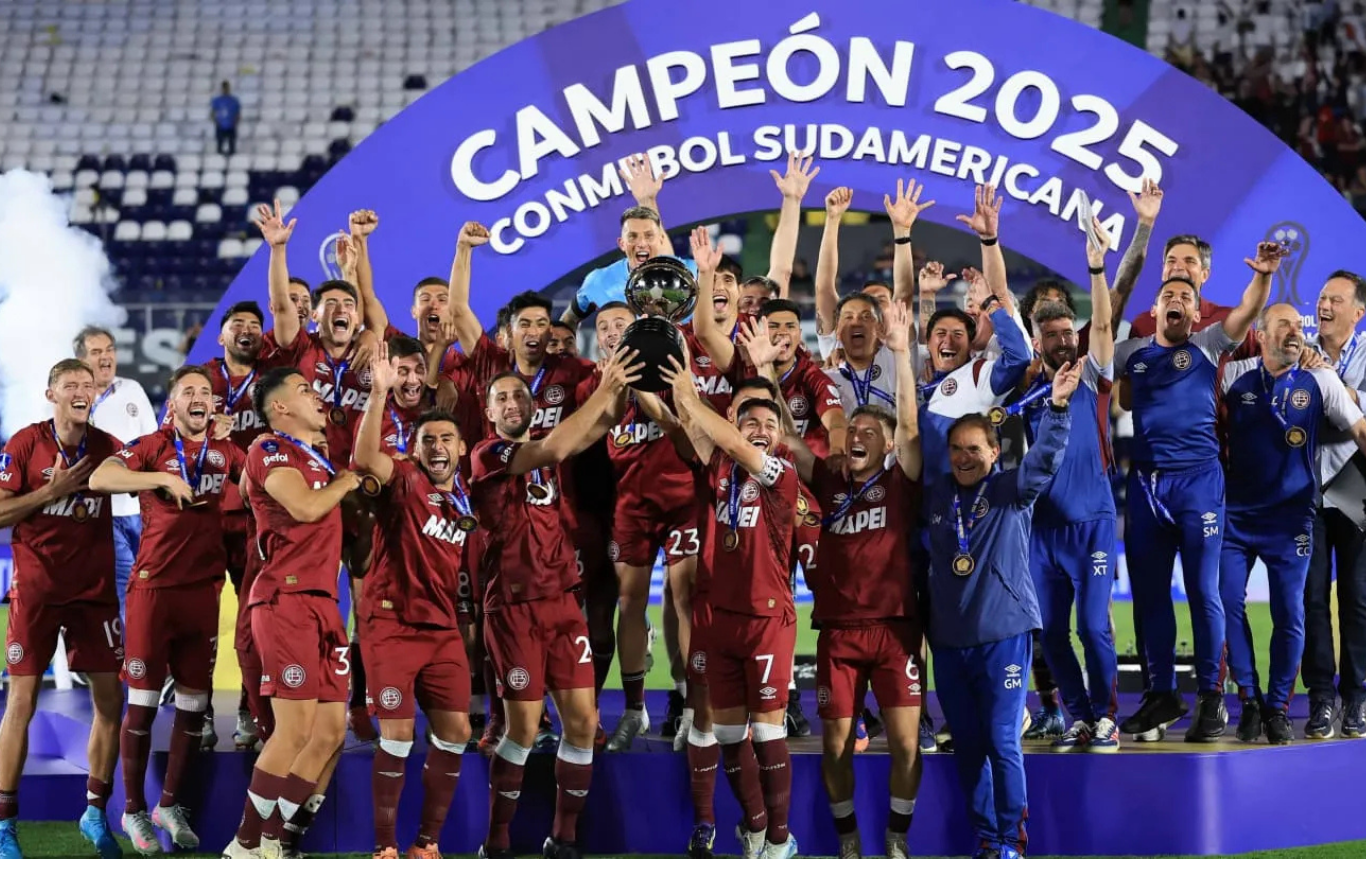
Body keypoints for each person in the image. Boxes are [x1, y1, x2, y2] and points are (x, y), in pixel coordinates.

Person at [470, 350, 641, 859]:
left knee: (584, 724)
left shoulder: (549, 452)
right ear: (489, 411)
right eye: (502, 397)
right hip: (515, 609)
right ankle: (496, 842)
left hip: (564, 606)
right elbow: (556, 446)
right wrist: (604, 387)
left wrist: (623, 383)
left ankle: (563, 838)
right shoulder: (488, 455)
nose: (513, 402)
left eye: (520, 394)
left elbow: (599, 425)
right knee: (522, 729)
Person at [1114, 241, 1285, 742]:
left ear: (1196, 312)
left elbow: (1250, 309)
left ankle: (1211, 695)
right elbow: (1098, 337)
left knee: (1203, 592)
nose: (1177, 298)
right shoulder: (1132, 353)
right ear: (1155, 308)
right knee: (1148, 598)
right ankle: (1161, 692)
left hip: (1200, 484)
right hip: (1146, 485)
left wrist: (1266, 276)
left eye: (1186, 296)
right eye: (1168, 292)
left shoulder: (1210, 344)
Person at [787, 302, 924, 859]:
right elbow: (786, 439)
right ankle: (848, 842)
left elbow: (911, 425)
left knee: (907, 744)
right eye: (855, 428)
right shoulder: (827, 479)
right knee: (837, 743)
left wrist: (899, 353)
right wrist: (770, 373)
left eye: (872, 430)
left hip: (895, 631)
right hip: (839, 633)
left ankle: (896, 839)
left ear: (888, 444)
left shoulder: (904, 480)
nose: (860, 435)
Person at [89, 365, 246, 854]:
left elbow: (264, 478)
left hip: (204, 592)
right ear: (171, 405)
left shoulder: (227, 452)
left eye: (206, 393)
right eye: (188, 392)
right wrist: (158, 478)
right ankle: (134, 809)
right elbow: (100, 477)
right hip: (153, 593)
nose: (199, 398)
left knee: (196, 706)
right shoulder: (154, 446)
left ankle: (169, 804)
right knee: (142, 702)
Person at [925, 362, 1079, 859]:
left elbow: (1047, 458)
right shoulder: (935, 497)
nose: (964, 457)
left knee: (1001, 741)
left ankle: (1011, 836)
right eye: (956, 449)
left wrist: (1056, 407)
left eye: (975, 449)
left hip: (1004, 635)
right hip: (949, 641)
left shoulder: (1012, 490)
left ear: (995, 451)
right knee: (968, 745)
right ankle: (987, 838)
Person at [661, 358, 801, 860]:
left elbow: (727, 439)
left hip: (765, 621)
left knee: (766, 732)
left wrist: (695, 401)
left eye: (769, 424)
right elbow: (692, 427)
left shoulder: (780, 475)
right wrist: (677, 388)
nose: (758, 431)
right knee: (725, 733)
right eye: (749, 422)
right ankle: (758, 827)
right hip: (718, 619)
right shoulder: (720, 468)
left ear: (780, 436)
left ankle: (781, 842)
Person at [225, 367, 362, 859]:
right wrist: (345, 483)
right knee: (295, 729)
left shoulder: (314, 457)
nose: (317, 395)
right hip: (286, 600)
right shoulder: (269, 448)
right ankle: (242, 846)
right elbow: (303, 508)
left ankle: (274, 841)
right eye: (305, 390)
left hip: (323, 602)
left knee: (329, 732)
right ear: (280, 407)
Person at [1222, 301, 1366, 743]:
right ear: (1261, 335)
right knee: (1226, 605)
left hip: (1292, 520)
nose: (1293, 331)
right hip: (1237, 518)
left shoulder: (1321, 378)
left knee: (1293, 615)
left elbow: (1360, 430)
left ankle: (1279, 706)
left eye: (1295, 325)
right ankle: (1249, 699)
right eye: (1282, 324)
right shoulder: (1233, 376)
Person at [352, 358, 478, 859]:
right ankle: (386, 847)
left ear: (461, 448)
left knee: (456, 732)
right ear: (414, 448)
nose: (438, 448)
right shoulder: (403, 479)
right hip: (391, 624)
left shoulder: (466, 497)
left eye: (447, 439)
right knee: (398, 736)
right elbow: (366, 458)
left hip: (443, 629)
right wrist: (379, 393)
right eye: (428, 441)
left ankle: (427, 843)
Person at [0, 359, 125, 859]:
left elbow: (145, 477)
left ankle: (95, 813)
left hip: (94, 594)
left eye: (86, 385)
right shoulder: (24, 445)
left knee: (110, 701)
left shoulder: (107, 448)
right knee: (22, 704)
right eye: (69, 384)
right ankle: (5, 824)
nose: (80, 390)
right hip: (37, 592)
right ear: (50, 393)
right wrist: (50, 491)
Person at [1020, 221, 1122, 752]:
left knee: (1092, 627)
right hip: (1043, 532)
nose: (1063, 343)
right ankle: (1080, 716)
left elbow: (1103, 322)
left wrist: (1097, 267)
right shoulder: (1025, 391)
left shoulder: (1089, 375)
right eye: (1052, 337)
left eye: (1068, 334)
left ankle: (1108, 716)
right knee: (1051, 633)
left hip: (1093, 526)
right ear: (1037, 343)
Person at [1305, 270, 1366, 738]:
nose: (1324, 305)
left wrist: (1325, 380)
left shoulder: (1322, 363)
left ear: (1358, 312)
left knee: (1358, 599)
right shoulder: (1301, 356)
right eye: (1322, 297)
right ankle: (1322, 698)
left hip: (1357, 491)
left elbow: (1358, 420)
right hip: (1308, 492)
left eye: (1336, 299)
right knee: (1310, 600)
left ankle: (1358, 698)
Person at [75, 326, 158, 624]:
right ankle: (132, 666)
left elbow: (154, 445)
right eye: (96, 352)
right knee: (126, 593)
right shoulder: (73, 399)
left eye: (109, 349)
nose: (106, 357)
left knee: (150, 589)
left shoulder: (132, 389)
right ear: (82, 360)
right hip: (100, 515)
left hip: (140, 512)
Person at [212, 80, 241, 156]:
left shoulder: (234, 100)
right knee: (219, 148)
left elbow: (237, 113)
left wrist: (235, 122)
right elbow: (213, 112)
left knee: (232, 148)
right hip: (220, 126)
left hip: (231, 126)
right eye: (224, 88)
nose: (225, 90)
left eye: (227, 88)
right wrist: (216, 122)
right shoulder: (217, 100)